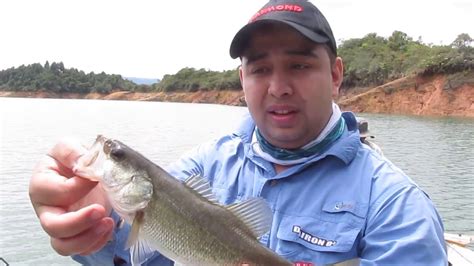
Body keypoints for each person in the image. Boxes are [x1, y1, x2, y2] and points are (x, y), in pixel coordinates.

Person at [29, 0, 447, 264]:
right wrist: (89, 220)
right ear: (241, 79)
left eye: (300, 65)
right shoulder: (203, 166)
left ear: (335, 74)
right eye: (260, 69)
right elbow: (133, 253)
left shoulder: (398, 209)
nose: (278, 86)